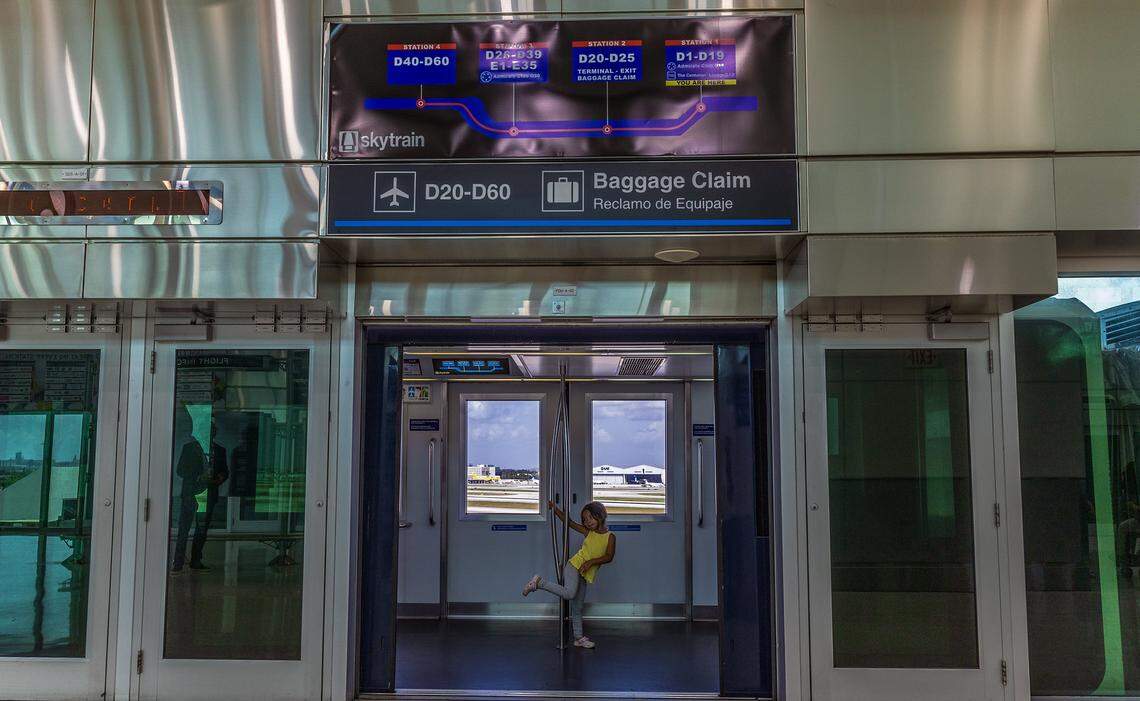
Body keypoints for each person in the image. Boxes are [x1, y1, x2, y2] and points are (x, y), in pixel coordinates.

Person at [522, 500, 616, 649]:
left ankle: (579, 638)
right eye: (585, 519)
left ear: (601, 516)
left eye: (590, 518)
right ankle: (539, 583)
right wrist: (555, 508)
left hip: (585, 573)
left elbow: (609, 556)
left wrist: (591, 562)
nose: (587, 522)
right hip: (574, 566)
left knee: (577, 607)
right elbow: (570, 523)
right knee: (570, 594)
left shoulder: (610, 536)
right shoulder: (588, 532)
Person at [172, 412, 230, 573]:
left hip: (208, 494)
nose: (211, 433)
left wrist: (220, 477)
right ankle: (178, 561)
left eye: (213, 430)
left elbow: (225, 471)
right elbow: (180, 470)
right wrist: (198, 476)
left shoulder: (220, 451)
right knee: (184, 528)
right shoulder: (189, 448)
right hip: (191, 494)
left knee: (201, 529)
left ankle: (196, 560)